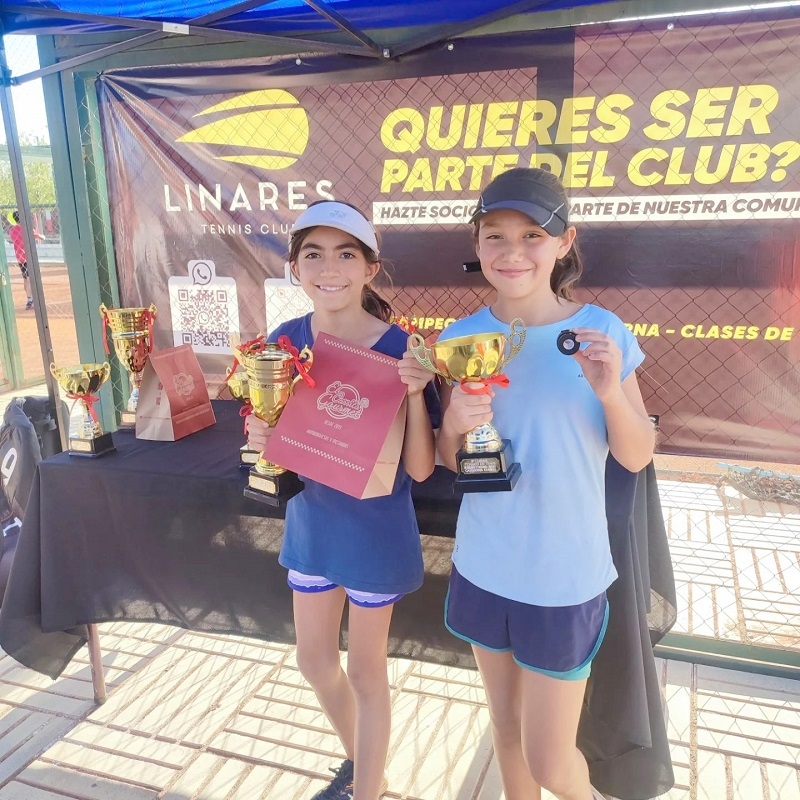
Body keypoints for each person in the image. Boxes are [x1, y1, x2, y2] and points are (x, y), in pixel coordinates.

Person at [436, 168, 655, 800]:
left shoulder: (601, 333)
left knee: (552, 762)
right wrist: (452, 423)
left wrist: (610, 393)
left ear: (564, 243)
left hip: (562, 578)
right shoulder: (462, 340)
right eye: (494, 234)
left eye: (532, 235)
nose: (512, 252)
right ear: (477, 245)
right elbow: (458, 462)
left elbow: (636, 456)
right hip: (483, 565)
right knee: (506, 732)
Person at [246, 200, 440, 800]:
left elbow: (421, 468)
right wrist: (260, 438)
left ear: (370, 267)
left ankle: (367, 791)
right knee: (313, 661)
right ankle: (365, 766)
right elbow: (268, 441)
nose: (329, 268)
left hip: (375, 532)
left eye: (346, 253)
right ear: (295, 267)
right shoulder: (282, 341)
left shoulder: (403, 347)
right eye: (314, 254)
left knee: (364, 670)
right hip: (312, 527)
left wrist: (413, 391)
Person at [8, 210, 45, 310]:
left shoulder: (12, 230)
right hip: (27, 257)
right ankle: (30, 300)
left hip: (19, 257)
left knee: (25, 278)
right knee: (29, 279)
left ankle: (29, 298)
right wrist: (40, 235)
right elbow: (41, 237)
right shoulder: (27, 229)